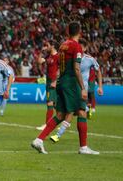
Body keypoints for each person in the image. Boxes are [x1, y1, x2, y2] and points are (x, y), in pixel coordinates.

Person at [31, 22, 99, 155]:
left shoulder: (63, 45)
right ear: (79, 32)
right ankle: (83, 147)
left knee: (61, 114)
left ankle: (39, 140)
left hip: (61, 81)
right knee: (81, 111)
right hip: (71, 83)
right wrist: (83, 88)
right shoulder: (76, 46)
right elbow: (77, 68)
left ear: (68, 31)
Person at [50, 39, 103, 143]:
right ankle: (87, 108)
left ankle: (58, 135)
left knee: (71, 112)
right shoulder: (72, 58)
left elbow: (98, 71)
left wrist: (100, 86)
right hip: (71, 88)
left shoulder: (90, 59)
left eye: (83, 47)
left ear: (86, 48)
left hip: (82, 90)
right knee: (72, 112)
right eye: (80, 46)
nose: (81, 48)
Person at [36, 40, 59, 130]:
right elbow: (39, 62)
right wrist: (41, 52)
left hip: (54, 82)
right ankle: (61, 121)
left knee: (50, 102)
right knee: (55, 104)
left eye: (47, 45)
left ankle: (47, 125)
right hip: (49, 81)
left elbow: (61, 69)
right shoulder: (48, 56)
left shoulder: (58, 56)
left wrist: (55, 81)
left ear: (52, 46)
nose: (46, 47)